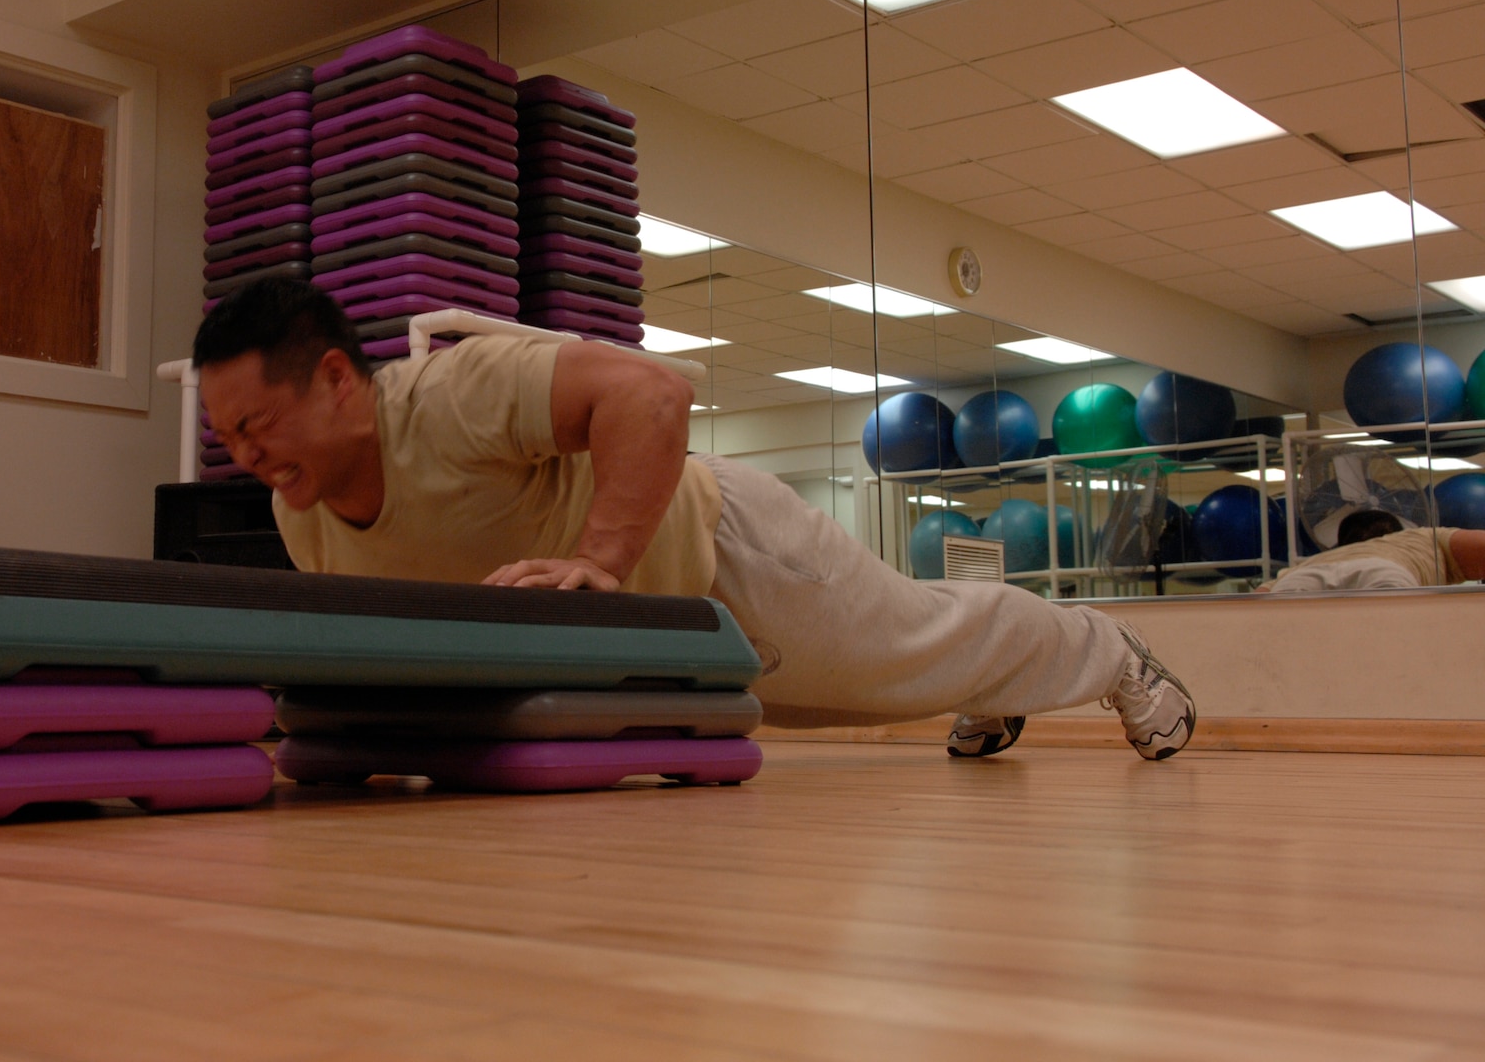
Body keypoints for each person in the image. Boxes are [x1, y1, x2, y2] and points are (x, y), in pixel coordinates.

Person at [192, 278, 1196, 760]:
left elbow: (650, 394)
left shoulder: (452, 393)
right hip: (662, 625)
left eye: (256, 425)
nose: (244, 457)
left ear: (334, 379)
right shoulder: (304, 515)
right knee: (879, 675)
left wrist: (598, 559)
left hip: (724, 548)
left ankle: (1110, 653)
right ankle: (985, 682)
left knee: (906, 645)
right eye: (228, 438)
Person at [1263, 508, 1485, 591]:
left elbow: (1251, 603)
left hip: (1302, 579)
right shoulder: (1418, 538)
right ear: (1399, 530)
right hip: (1381, 572)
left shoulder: (1320, 559)